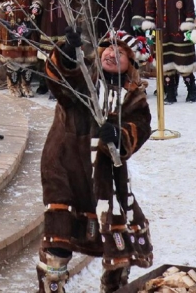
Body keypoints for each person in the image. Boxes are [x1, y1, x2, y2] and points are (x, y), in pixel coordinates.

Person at [37, 28, 152, 293]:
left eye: (120, 52)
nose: (112, 54)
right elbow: (63, 84)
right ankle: (51, 288)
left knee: (120, 241)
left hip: (106, 178)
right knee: (58, 238)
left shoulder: (133, 95)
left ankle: (113, 288)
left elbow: (142, 126)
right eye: (109, 48)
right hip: (65, 167)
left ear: (131, 63)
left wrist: (120, 134)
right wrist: (66, 56)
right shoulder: (85, 77)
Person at [142, 0, 196, 103]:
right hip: (162, 30)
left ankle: (192, 90)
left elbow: (189, 7)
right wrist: (150, 22)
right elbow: (151, 6)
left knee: (183, 62)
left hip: (180, 31)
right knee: (166, 62)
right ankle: (171, 93)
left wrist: (189, 25)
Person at [36, 0, 75, 96]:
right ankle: (45, 82)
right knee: (47, 52)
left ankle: (62, 84)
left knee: (63, 51)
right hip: (49, 20)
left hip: (63, 19)